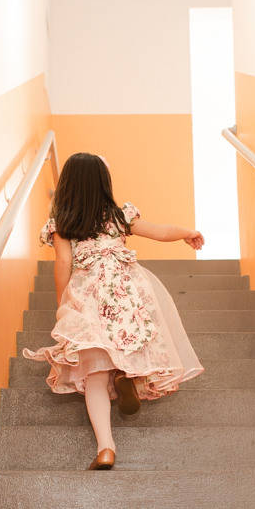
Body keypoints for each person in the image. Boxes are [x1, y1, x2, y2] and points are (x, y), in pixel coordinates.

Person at [22, 152, 205, 470]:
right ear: (104, 184)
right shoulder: (119, 217)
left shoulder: (62, 224)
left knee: (94, 371)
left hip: (89, 294)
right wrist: (186, 232)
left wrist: (63, 304)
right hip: (126, 290)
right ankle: (125, 376)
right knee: (128, 340)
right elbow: (159, 231)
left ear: (67, 186)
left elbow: (63, 263)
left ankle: (105, 448)